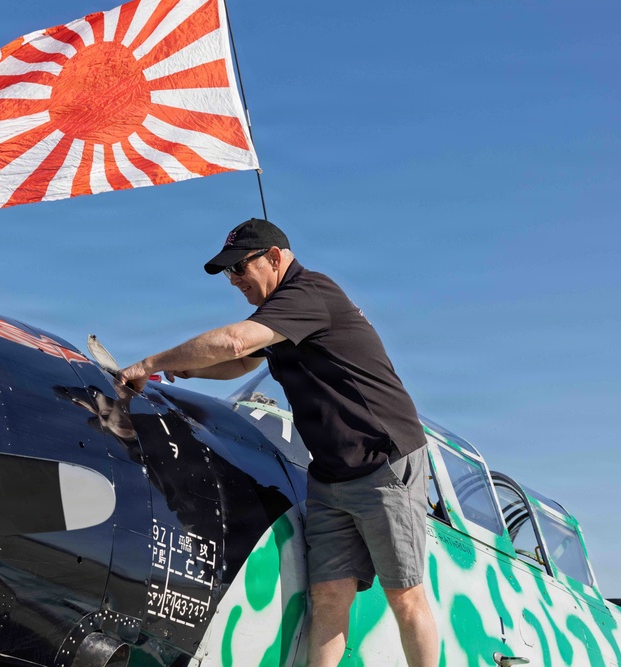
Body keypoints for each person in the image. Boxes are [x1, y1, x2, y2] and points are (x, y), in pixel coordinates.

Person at [117, 218, 439, 667]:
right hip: (331, 473)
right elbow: (241, 362)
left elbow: (234, 343)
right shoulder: (281, 313)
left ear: (273, 257)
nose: (234, 280)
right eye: (228, 273)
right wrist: (186, 369)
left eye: (239, 268)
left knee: (404, 595)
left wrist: (149, 362)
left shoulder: (308, 293)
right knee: (329, 596)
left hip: (381, 461)